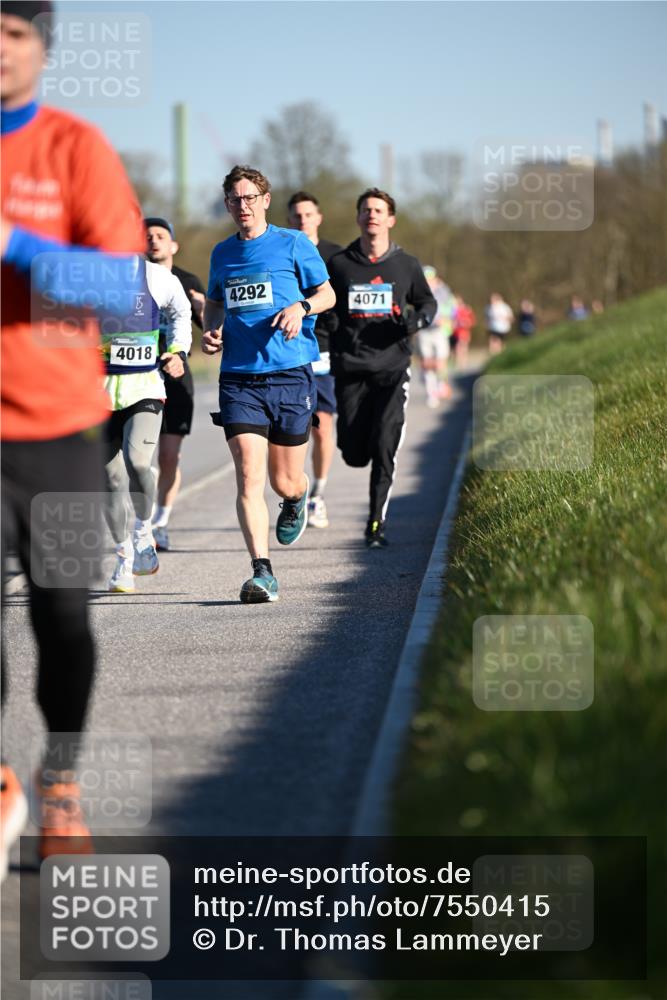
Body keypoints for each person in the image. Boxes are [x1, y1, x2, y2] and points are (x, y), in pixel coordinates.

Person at [0, 0, 145, 874]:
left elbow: (125, 288)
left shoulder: (73, 148)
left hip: (57, 431)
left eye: (11, 32)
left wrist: (16, 244)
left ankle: (59, 780)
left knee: (62, 615)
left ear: (42, 48)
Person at [203, 165, 335, 603]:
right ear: (227, 205)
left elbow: (328, 295)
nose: (242, 206)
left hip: (289, 372)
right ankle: (262, 572)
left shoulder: (292, 243)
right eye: (233, 200)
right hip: (239, 378)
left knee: (285, 480)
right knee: (248, 475)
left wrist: (301, 307)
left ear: (264, 200)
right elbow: (216, 305)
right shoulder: (222, 253)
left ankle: (297, 499)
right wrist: (211, 330)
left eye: (248, 198)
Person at [327, 188, 436, 548]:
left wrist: (415, 321)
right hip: (350, 368)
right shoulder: (341, 264)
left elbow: (427, 302)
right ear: (358, 218)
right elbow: (325, 306)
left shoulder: (406, 265)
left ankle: (376, 523)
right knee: (354, 452)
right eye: (366, 210)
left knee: (385, 444)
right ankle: (360, 447)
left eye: (378, 210)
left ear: (390, 219)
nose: (371, 215)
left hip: (392, 368)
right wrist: (327, 326)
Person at [103, 258, 192, 593]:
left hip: (144, 387)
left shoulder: (155, 277)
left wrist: (178, 351)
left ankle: (143, 529)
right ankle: (124, 559)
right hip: (95, 392)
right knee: (111, 480)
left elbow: (181, 311)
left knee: (138, 462)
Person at [144, 217, 206, 551]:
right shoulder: (129, 279)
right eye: (147, 236)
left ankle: (161, 522)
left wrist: (201, 308)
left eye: (160, 236)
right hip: (136, 378)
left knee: (169, 457)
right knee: (137, 460)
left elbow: (210, 328)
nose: (153, 240)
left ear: (173, 245)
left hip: (176, 380)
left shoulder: (186, 280)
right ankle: (139, 521)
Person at [287, 191, 341, 528]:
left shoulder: (336, 255)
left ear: (318, 217)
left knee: (323, 428)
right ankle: (295, 488)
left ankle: (318, 495)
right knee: (294, 429)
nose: (303, 220)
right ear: (289, 220)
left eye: (308, 214)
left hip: (323, 350)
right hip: (290, 349)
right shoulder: (281, 251)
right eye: (296, 216)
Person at [417, 265, 455, 407]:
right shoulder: (417, 291)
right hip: (424, 330)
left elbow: (452, 307)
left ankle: (441, 384)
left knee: (440, 362)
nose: (429, 282)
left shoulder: (443, 291)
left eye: (430, 279)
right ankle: (431, 392)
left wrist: (446, 318)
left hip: (439, 330)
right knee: (427, 363)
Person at [451, 294, 475, 367]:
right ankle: (459, 362)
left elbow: (472, 321)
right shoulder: (452, 310)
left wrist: (465, 323)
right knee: (457, 347)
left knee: (463, 346)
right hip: (455, 332)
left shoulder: (467, 309)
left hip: (464, 331)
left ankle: (463, 362)